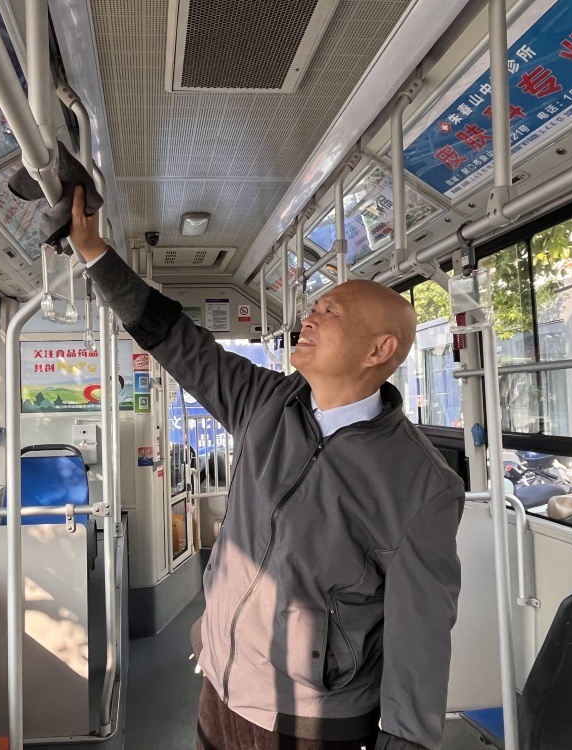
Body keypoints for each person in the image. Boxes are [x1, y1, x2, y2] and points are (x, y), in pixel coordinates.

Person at [69, 187, 464, 750]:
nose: (311, 317)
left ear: (379, 350)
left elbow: (421, 627)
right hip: (220, 683)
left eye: (331, 312)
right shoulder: (266, 403)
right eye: (315, 306)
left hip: (311, 718)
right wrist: (94, 252)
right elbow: (176, 340)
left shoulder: (421, 483)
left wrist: (406, 741)